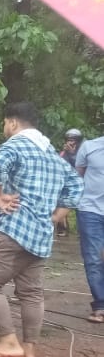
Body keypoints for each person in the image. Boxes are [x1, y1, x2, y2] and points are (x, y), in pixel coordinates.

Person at [0, 102, 82, 357]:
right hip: (42, 234)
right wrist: (56, 217)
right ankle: (29, 353)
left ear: (12, 122)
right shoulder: (52, 155)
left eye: (4, 123)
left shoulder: (15, 145)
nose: (4, 128)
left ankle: (9, 341)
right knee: (32, 293)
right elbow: (76, 186)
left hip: (14, 228)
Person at [75, 130, 104, 323]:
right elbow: (78, 175)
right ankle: (100, 305)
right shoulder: (89, 146)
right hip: (90, 210)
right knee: (93, 258)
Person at [56, 128, 82, 236]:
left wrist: (72, 154)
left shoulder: (83, 152)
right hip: (66, 184)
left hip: (81, 184)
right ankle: (62, 228)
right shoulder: (63, 153)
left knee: (81, 208)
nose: (71, 142)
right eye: (69, 140)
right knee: (61, 203)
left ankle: (82, 231)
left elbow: (80, 167)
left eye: (73, 140)